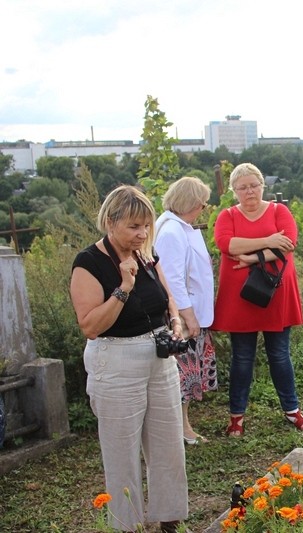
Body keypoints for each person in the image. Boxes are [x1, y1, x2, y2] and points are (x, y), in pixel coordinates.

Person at [70, 185, 189, 533]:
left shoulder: (146, 254)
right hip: (116, 361)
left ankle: (171, 521)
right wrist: (123, 287)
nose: (141, 234)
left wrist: (176, 321)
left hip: (158, 356)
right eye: (134, 226)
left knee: (169, 446)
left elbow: (167, 297)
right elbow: (90, 326)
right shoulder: (88, 263)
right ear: (110, 221)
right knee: (122, 453)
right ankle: (128, 526)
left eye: (146, 226)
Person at [212, 162, 303, 436]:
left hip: (275, 292)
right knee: (242, 357)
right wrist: (269, 241)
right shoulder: (227, 215)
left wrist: (251, 257)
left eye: (254, 185)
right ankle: (236, 416)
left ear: (262, 185)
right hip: (239, 297)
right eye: (242, 187)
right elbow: (226, 245)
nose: (249, 191)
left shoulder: (280, 211)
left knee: (279, 354)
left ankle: (292, 410)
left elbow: (288, 243)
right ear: (234, 190)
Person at [155, 176, 218, 445]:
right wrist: (186, 314)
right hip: (181, 314)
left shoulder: (180, 227)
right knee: (182, 372)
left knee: (186, 372)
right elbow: (172, 278)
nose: (202, 209)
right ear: (189, 203)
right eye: (202, 204)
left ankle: (183, 424)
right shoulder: (171, 231)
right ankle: (181, 428)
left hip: (189, 310)